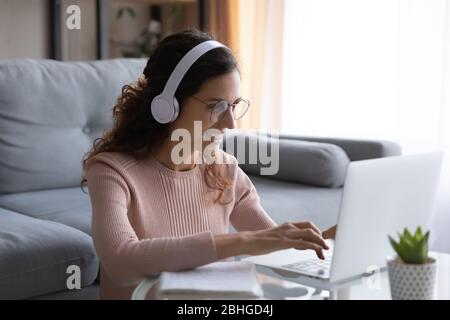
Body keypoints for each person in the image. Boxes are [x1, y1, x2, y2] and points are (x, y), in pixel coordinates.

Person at [81, 30, 335, 300]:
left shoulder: (224, 168)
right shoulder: (111, 170)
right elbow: (120, 262)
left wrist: (329, 242)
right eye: (216, 106)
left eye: (234, 106)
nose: (230, 124)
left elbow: (276, 252)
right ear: (168, 106)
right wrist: (245, 242)